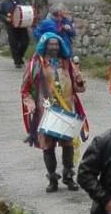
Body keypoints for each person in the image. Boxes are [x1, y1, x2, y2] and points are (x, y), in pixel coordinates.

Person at [21, 33, 89, 192]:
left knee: (68, 145)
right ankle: (52, 179)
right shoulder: (35, 64)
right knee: (48, 146)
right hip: (45, 113)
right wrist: (30, 104)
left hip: (66, 110)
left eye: (56, 44)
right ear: (44, 46)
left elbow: (79, 89)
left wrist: (79, 79)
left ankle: (68, 176)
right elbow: (25, 90)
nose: (54, 47)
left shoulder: (67, 63)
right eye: (51, 44)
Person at [0, 0, 31, 68]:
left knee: (25, 42)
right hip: (11, 26)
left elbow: (27, 11)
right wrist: (6, 18)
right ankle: (17, 61)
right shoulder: (4, 3)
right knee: (14, 43)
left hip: (22, 25)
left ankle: (19, 56)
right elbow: (0, 14)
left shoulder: (22, 1)